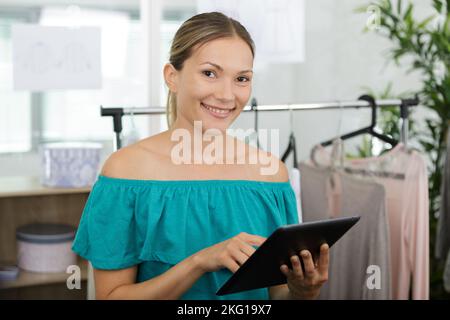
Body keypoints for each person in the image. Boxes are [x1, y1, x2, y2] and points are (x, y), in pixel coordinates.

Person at [72, 11, 329, 300]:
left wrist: (303, 292)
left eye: (241, 78)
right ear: (172, 76)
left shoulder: (271, 175)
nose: (227, 95)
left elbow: (276, 295)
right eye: (210, 73)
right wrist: (198, 262)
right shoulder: (125, 172)